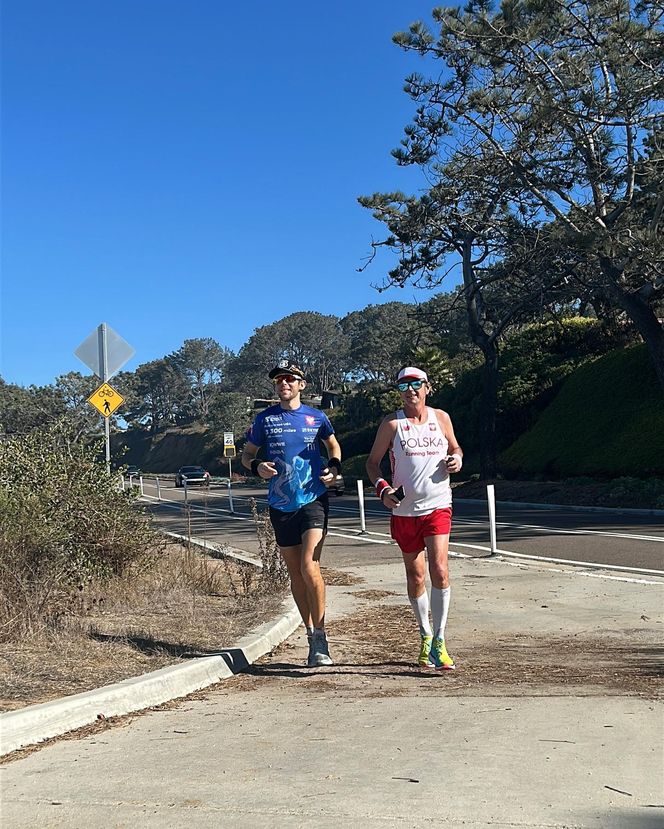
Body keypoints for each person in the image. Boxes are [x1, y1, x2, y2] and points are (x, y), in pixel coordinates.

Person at [241, 360, 342, 668]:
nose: (283, 383)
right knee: (295, 572)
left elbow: (334, 446)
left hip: (313, 498)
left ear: (302, 384)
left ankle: (322, 636)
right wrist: (257, 466)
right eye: (278, 380)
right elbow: (246, 455)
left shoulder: (316, 417)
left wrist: (335, 468)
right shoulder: (265, 420)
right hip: (281, 503)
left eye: (289, 379)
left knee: (309, 565)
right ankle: (310, 633)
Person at [365, 366, 463, 671]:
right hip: (405, 510)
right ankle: (424, 635)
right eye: (404, 386)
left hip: (438, 505)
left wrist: (457, 458)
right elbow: (372, 463)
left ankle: (440, 641)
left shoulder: (441, 418)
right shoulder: (392, 424)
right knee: (416, 576)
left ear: (427, 387)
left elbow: (455, 446)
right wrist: (382, 490)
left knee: (440, 569)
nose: (410, 391)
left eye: (416, 384)